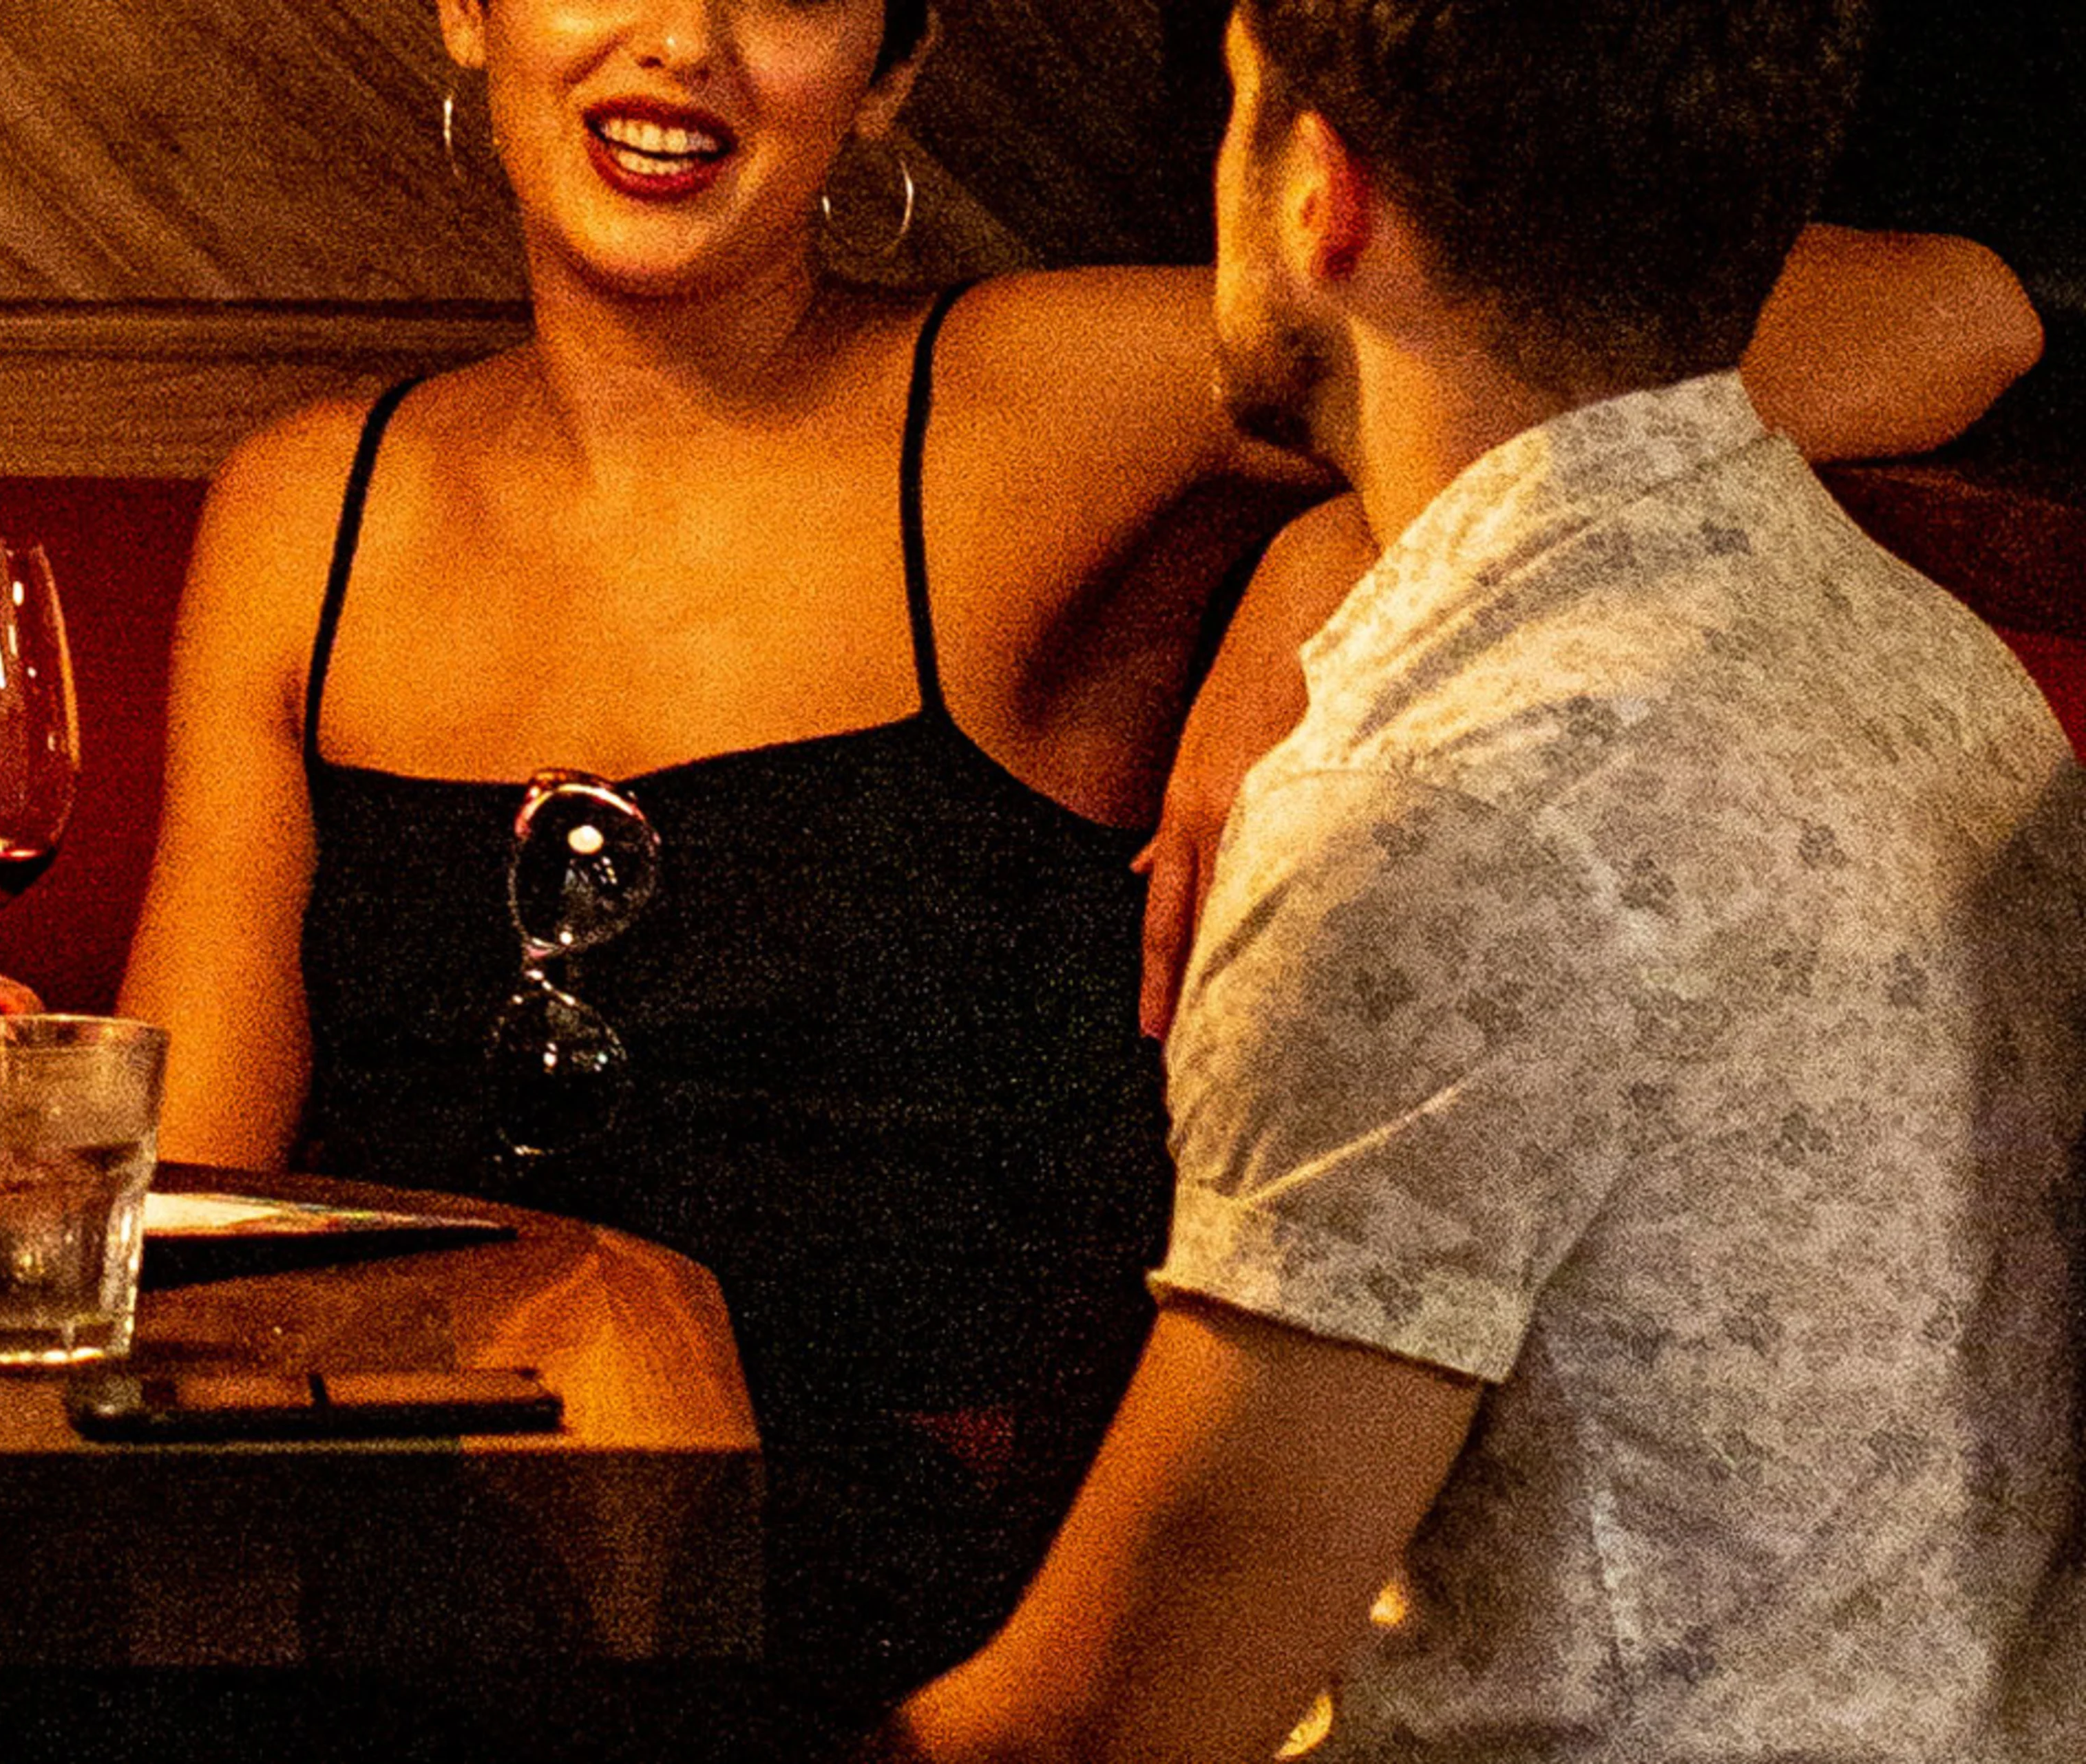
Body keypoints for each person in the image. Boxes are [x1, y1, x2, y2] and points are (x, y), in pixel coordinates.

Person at [114, 0, 2043, 1730]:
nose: (681, 44)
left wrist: (1364, 557)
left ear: (890, 77)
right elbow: (183, 1195)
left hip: (898, 1632)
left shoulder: (1035, 402)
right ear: (470, 13)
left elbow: (1935, 311)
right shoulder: (310, 510)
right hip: (378, 1582)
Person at [880, 2, 2085, 1760]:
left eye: (1236, 117)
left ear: (1320, 192)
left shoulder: (1440, 807)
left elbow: (1116, 1723)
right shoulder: (1925, 662)